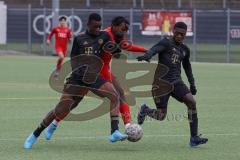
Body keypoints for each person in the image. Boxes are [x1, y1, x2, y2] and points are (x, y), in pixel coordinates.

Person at [23, 13, 127, 149]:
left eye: (100, 26)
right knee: (60, 109)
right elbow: (74, 61)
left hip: (94, 77)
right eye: (95, 26)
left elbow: (116, 53)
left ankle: (114, 132)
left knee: (115, 96)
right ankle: (34, 134)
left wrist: (116, 49)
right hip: (77, 78)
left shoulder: (104, 36)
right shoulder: (79, 39)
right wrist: (82, 73)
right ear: (89, 24)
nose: (98, 29)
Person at [43, 16, 147, 140]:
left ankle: (127, 126)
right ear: (115, 26)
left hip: (104, 71)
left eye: (126, 30)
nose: (124, 32)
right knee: (74, 102)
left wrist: (146, 51)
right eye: (123, 28)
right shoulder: (105, 35)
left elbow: (126, 46)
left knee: (120, 94)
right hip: (93, 72)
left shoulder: (118, 36)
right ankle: (53, 124)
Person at [136, 22, 208, 147]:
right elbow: (154, 49)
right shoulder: (165, 43)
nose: (179, 36)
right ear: (173, 31)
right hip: (161, 84)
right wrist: (148, 55)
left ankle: (194, 138)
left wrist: (192, 83)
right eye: (177, 33)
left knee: (191, 102)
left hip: (176, 81)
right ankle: (145, 110)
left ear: (185, 35)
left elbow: (187, 66)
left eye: (182, 34)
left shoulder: (185, 49)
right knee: (161, 116)